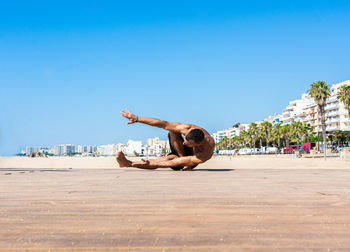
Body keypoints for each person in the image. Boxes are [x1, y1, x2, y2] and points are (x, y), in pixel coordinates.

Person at [116, 109, 215, 171]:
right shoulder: (188, 128)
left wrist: (152, 163)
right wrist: (137, 118)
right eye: (184, 139)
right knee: (172, 130)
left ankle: (129, 163)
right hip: (182, 152)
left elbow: (176, 163)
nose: (184, 143)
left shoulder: (206, 152)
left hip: (189, 161)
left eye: (187, 143)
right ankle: (179, 154)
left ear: (197, 145)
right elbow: (163, 124)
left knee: (171, 158)